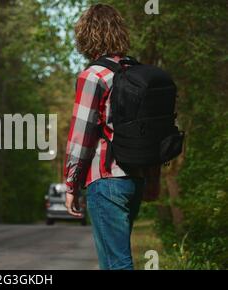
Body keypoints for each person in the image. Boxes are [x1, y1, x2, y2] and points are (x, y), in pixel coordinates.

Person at [63, 3, 161, 270]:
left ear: (86, 35)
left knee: (116, 264)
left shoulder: (93, 76)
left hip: (106, 181)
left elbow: (81, 137)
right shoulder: (140, 73)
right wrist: (153, 179)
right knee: (113, 262)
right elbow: (153, 133)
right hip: (136, 180)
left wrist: (71, 185)